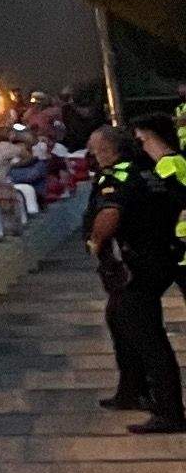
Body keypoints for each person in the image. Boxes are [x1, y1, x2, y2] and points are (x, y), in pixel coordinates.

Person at [86, 127, 186, 435]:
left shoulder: (117, 176)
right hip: (161, 256)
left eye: (93, 148)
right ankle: (131, 390)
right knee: (118, 318)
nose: (90, 154)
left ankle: (169, 410)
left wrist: (95, 242)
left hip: (135, 263)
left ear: (108, 150)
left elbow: (110, 214)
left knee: (147, 336)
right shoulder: (152, 172)